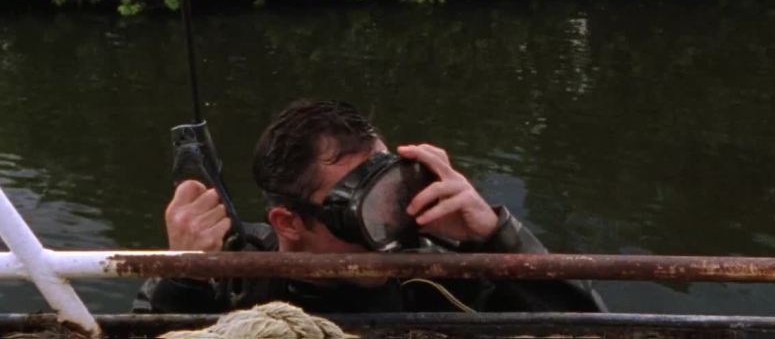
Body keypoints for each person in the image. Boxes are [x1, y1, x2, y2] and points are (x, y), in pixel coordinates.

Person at [134, 100, 606, 313]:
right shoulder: (226, 278)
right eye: (363, 214)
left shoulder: (431, 279)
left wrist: (495, 239)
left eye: (395, 195)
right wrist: (182, 278)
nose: (390, 236)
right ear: (288, 222)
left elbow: (594, 330)